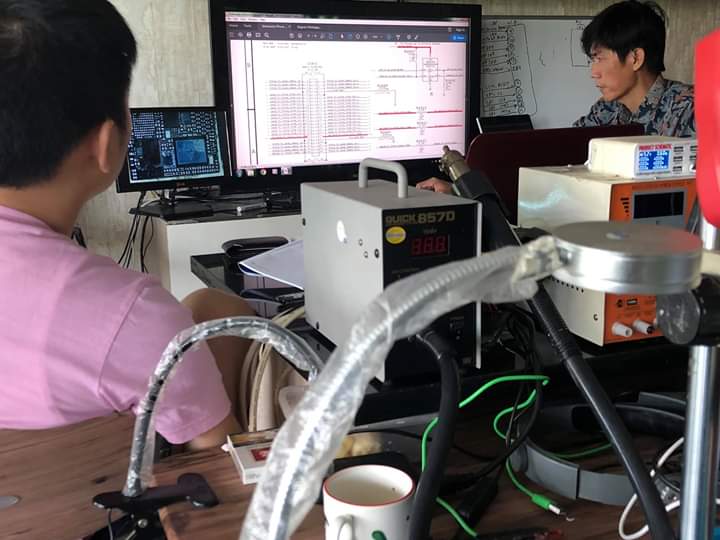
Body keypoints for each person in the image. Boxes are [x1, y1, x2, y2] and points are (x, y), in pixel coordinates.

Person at [0, 0, 253, 451]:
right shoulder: (132, 317)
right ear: (106, 143)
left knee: (211, 306)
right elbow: (220, 457)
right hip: (99, 493)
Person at [417, 0, 695, 194]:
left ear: (635, 58)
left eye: (599, 58)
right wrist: (462, 190)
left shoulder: (691, 110)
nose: (593, 72)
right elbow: (557, 162)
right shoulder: (607, 112)